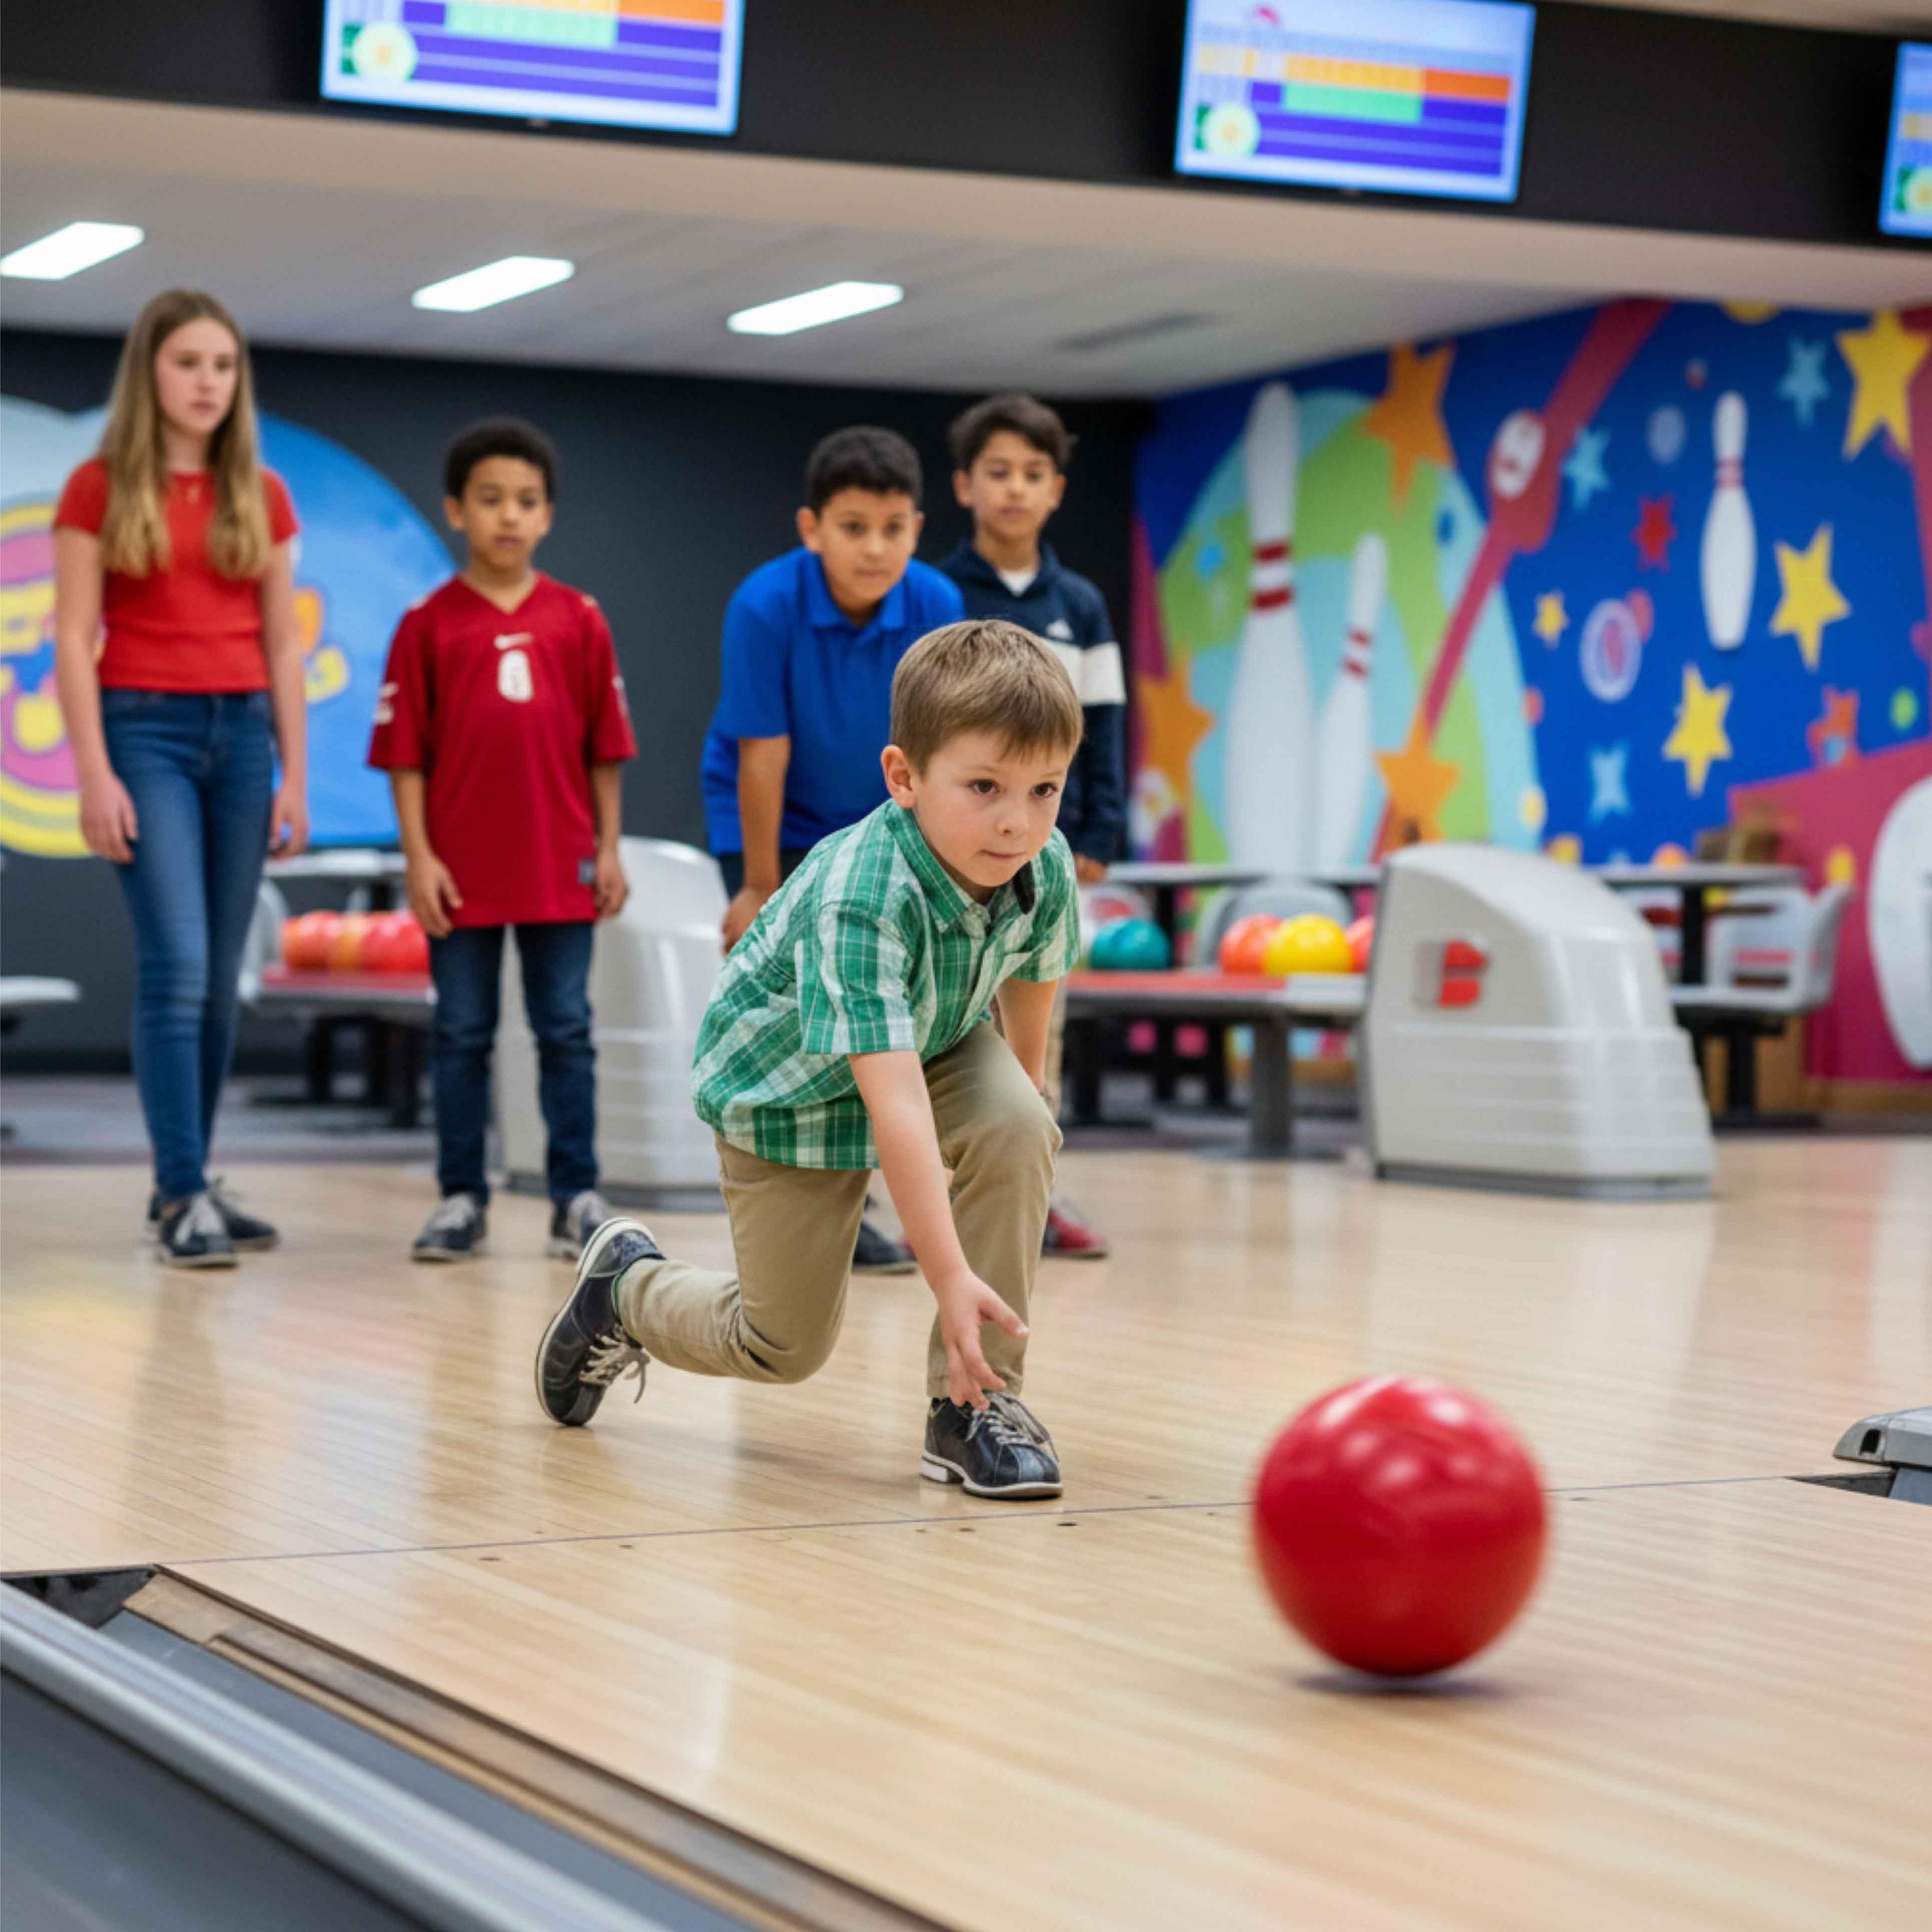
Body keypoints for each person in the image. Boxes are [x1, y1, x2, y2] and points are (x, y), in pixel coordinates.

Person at [536, 620, 1082, 1498]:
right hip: (784, 1091)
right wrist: (945, 1274)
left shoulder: (1042, 860)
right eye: (983, 786)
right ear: (903, 777)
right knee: (781, 1348)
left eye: (1044, 788)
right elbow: (894, 1107)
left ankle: (974, 1406)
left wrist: (1024, 1116)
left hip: (933, 1037)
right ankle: (624, 1292)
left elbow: (1034, 984)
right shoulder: (860, 895)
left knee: (1020, 1122)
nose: (1017, 820)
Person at [52, 288, 309, 1269]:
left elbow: (284, 645)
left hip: (243, 739)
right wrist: (92, 774)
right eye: (188, 362)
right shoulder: (98, 487)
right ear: (150, 372)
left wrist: (294, 778)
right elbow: (73, 638)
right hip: (142, 733)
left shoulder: (263, 493)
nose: (207, 382)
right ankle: (178, 1193)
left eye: (224, 366)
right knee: (180, 965)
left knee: (217, 987)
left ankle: (192, 1178)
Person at [368, 419, 636, 1262]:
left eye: (526, 501)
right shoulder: (427, 624)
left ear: (548, 515)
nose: (509, 517)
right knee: (461, 1034)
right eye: (490, 501)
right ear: (457, 511)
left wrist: (611, 849)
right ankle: (460, 1197)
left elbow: (606, 748)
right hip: (461, 875)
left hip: (560, 866)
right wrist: (419, 856)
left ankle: (575, 1195)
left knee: (565, 1030)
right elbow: (404, 755)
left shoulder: (579, 619)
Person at [700, 424, 965, 1273]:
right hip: (779, 817)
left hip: (889, 812)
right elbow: (762, 752)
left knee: (887, 1017)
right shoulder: (764, 605)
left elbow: (948, 751)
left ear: (917, 530)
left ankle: (879, 1204)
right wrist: (758, 887)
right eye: (854, 528)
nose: (875, 548)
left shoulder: (936, 605)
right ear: (812, 528)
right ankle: (822, 1208)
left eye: (893, 529)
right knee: (810, 1019)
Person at [941, 393, 1125, 1259]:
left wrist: (1097, 829)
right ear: (965, 486)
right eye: (997, 473)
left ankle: (1032, 1194)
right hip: (950, 859)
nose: (1015, 490)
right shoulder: (939, 593)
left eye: (1032, 475)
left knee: (1032, 1031)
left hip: (1044, 856)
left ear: (1056, 489)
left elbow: (1106, 721)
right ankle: (921, 1199)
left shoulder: (1081, 606)